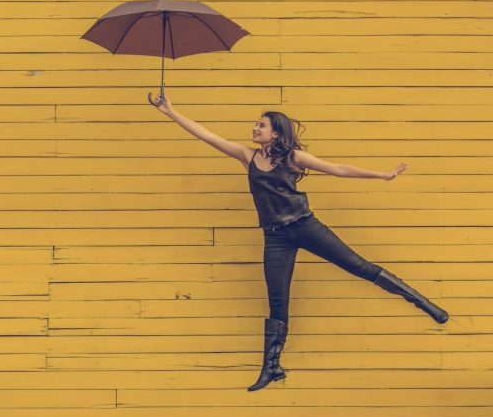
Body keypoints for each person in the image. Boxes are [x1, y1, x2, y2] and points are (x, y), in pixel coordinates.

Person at [148, 90, 449, 391]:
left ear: (276, 133)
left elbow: (336, 168)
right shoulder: (247, 156)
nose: (255, 128)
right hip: (276, 237)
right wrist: (170, 112)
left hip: (305, 226)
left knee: (359, 266)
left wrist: (382, 175)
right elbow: (206, 136)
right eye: (256, 124)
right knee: (277, 302)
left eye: (261, 125)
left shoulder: (293, 157)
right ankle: (272, 367)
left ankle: (423, 302)